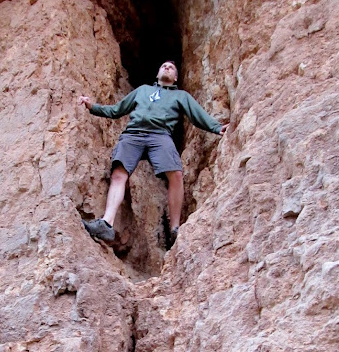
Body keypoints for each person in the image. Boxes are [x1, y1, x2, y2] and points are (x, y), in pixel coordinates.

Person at [78, 61, 227, 246]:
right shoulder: (142, 91)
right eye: (163, 66)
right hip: (133, 134)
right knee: (118, 173)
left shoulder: (181, 96)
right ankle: (106, 224)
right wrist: (93, 107)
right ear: (157, 74)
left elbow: (197, 115)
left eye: (171, 68)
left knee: (176, 174)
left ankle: (175, 230)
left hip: (160, 135)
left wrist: (217, 128)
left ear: (175, 78)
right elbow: (116, 110)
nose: (166, 68)